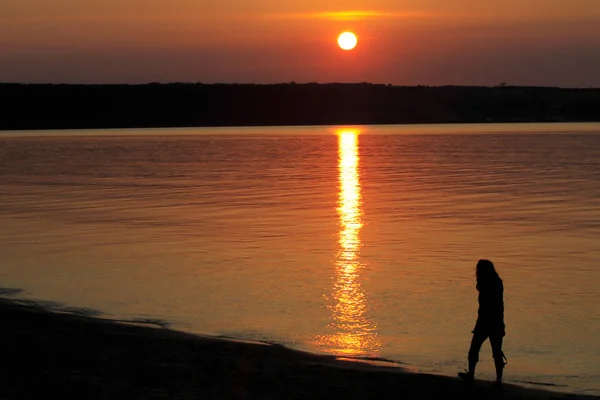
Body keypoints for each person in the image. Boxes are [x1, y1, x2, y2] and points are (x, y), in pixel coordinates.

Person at [458, 259, 507, 384]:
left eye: (479, 269)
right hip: (492, 322)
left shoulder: (490, 284)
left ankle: (476, 376)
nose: (477, 272)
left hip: (489, 322)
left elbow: (493, 304)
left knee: (478, 349)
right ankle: (497, 379)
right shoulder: (493, 282)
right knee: (493, 351)